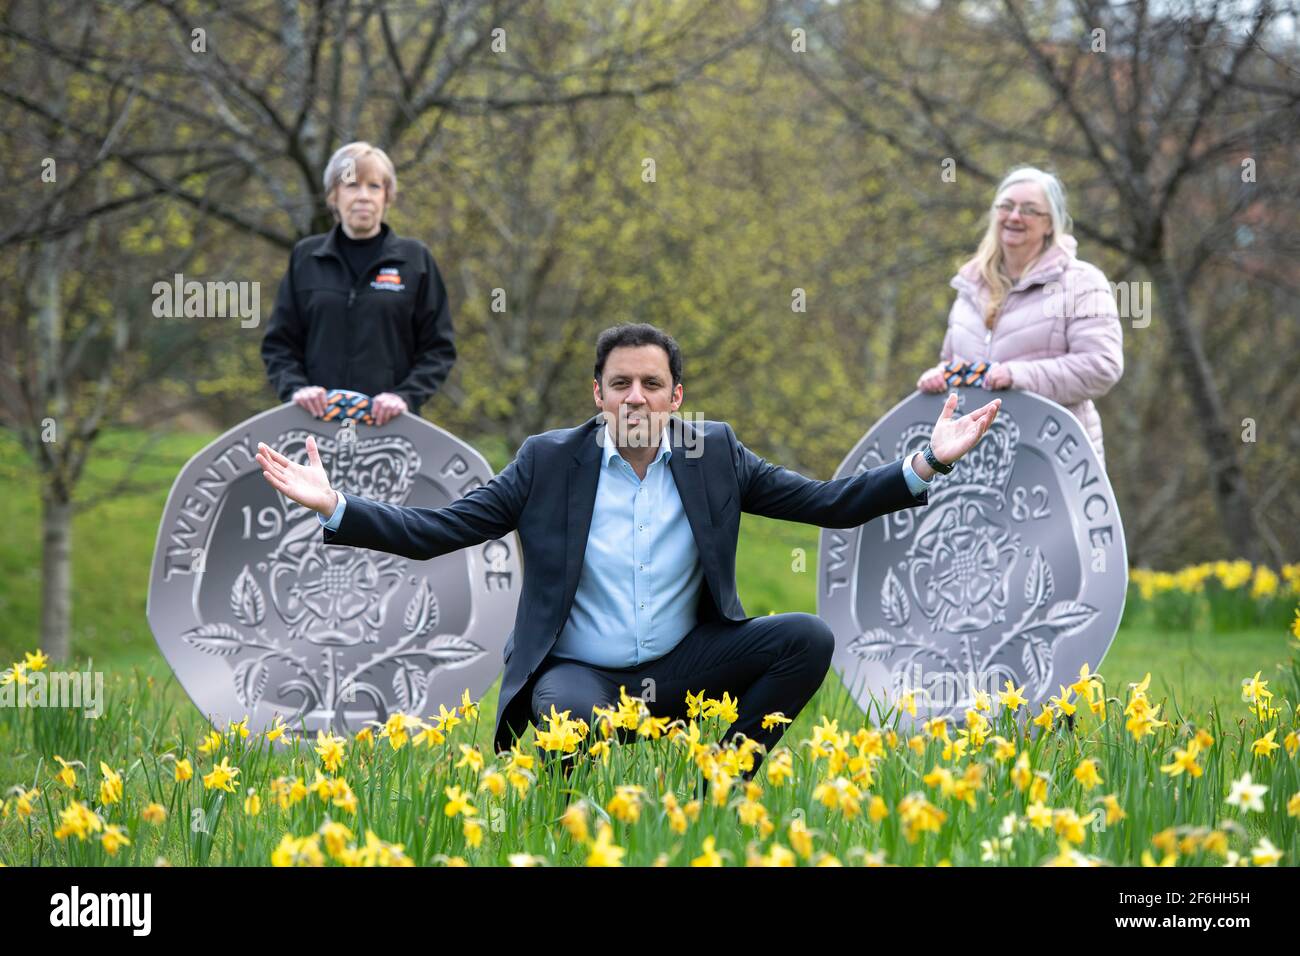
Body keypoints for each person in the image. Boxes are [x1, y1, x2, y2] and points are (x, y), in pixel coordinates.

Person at [256, 324, 1001, 775]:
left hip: (684, 669)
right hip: (582, 676)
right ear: (598, 394)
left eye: (652, 383)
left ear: (677, 396)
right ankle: (575, 825)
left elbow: (829, 507)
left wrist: (928, 461)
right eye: (621, 384)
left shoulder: (717, 455)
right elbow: (436, 532)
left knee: (804, 639)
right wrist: (338, 507)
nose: (635, 397)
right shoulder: (547, 462)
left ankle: (719, 786)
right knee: (565, 720)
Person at [916, 166, 1123, 468]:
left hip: (1054, 461)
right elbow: (954, 361)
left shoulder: (1081, 282)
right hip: (976, 466)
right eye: (1006, 206)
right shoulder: (970, 284)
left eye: (1029, 210)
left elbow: (1102, 367)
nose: (1014, 216)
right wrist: (939, 377)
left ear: (1050, 223)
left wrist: (1017, 375)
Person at [261, 141, 456, 425]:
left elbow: (439, 349)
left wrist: (405, 396)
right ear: (333, 196)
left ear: (387, 196)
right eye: (352, 186)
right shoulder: (306, 258)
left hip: (390, 429)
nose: (364, 196)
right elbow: (279, 344)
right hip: (315, 426)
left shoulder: (416, 260)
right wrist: (297, 389)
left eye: (374, 186)